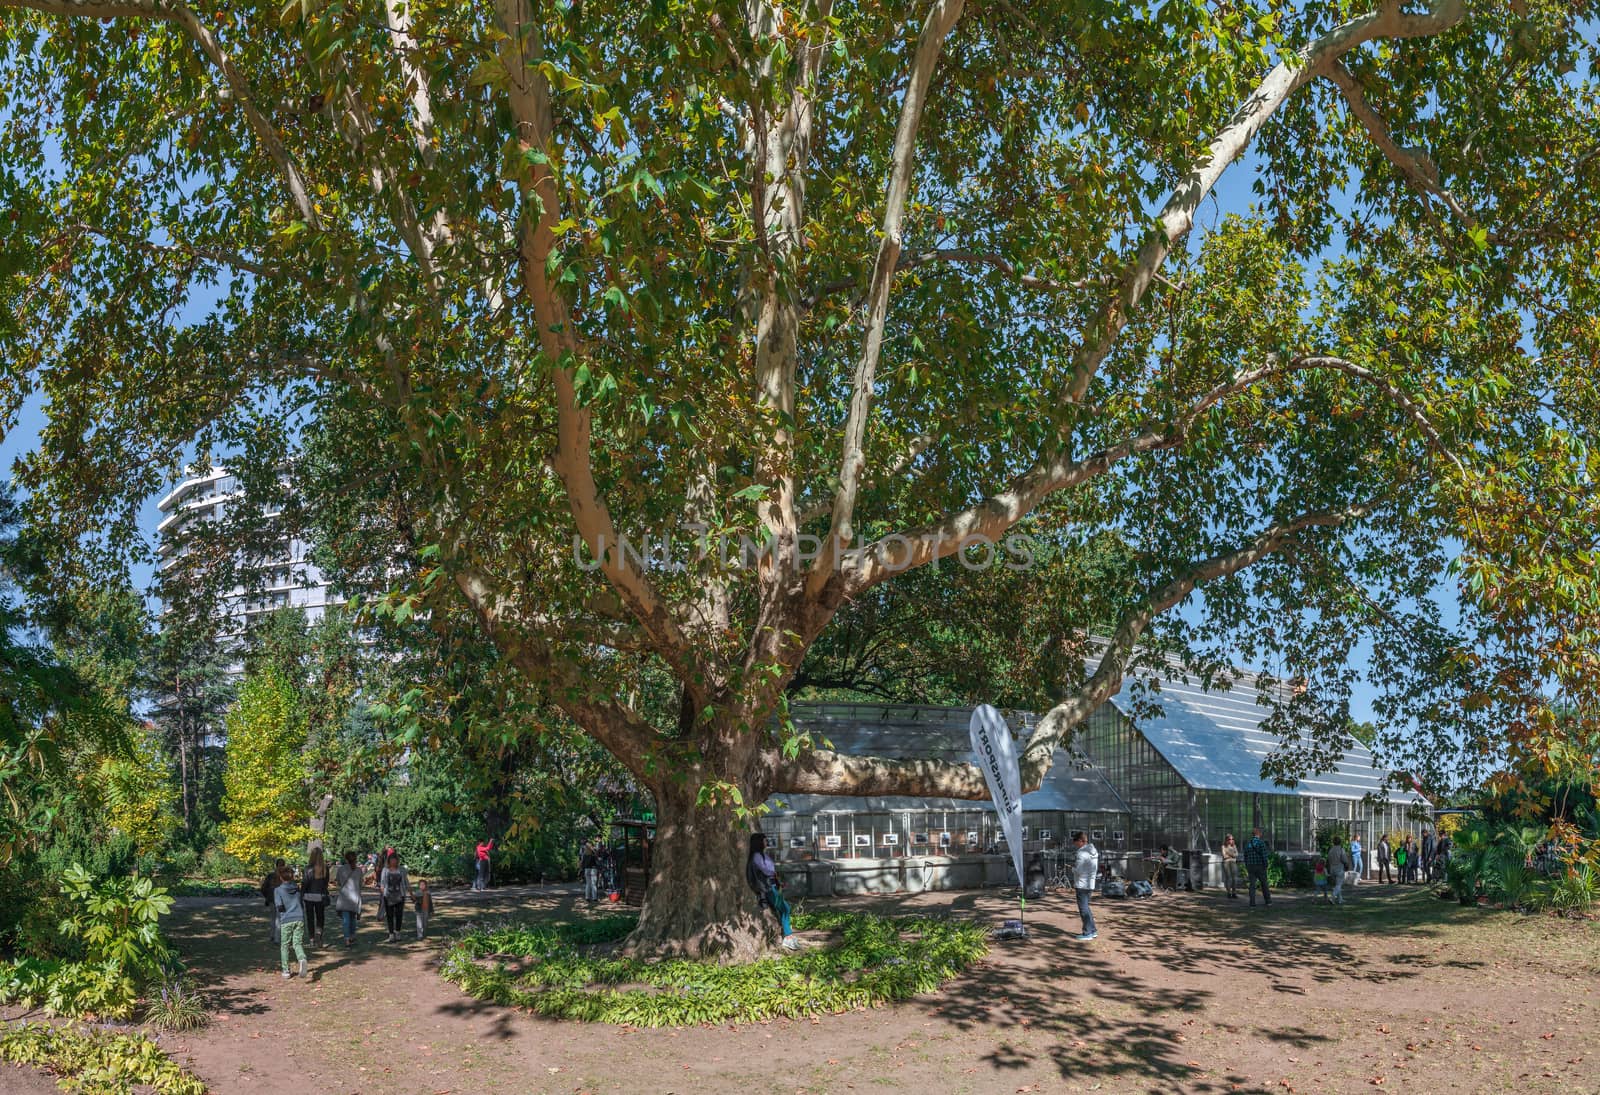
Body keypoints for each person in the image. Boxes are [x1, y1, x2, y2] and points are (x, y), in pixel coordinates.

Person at [746, 833, 800, 952]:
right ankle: (788, 937)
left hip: (773, 886)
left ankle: (788, 935)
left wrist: (778, 881)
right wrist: (772, 873)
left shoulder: (763, 855)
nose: (767, 842)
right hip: (768, 888)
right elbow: (767, 870)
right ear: (759, 842)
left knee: (784, 909)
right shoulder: (756, 856)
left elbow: (771, 871)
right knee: (785, 908)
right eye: (765, 841)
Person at [274, 864, 308, 979]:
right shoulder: (296, 888)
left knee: (285, 945)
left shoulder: (278, 890)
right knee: (297, 943)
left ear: (280, 877)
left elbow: (279, 906)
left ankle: (286, 970)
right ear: (292, 877)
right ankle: (302, 958)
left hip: (286, 920)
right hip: (299, 918)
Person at [1071, 831, 1099, 941]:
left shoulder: (1081, 853)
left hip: (1082, 884)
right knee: (1086, 908)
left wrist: (1072, 869)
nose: (1075, 844)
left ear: (1080, 841)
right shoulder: (1093, 851)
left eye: (1076, 842)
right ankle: (1092, 930)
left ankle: (1087, 932)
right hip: (1090, 883)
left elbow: (1079, 871)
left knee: (1083, 909)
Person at [379, 852, 410, 943]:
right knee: (389, 915)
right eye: (391, 860)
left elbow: (406, 882)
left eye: (395, 860)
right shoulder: (385, 870)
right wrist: (383, 894)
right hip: (388, 895)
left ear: (397, 861)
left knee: (399, 914)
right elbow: (382, 883)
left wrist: (411, 893)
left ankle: (398, 932)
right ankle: (391, 934)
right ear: (389, 861)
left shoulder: (402, 869)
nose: (393, 862)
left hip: (400, 894)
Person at [335, 850, 363, 947]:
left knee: (346, 919)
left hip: (344, 896)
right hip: (355, 896)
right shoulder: (359, 870)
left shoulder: (341, 869)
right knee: (353, 918)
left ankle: (347, 938)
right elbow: (360, 884)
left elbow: (338, 882)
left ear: (346, 858)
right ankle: (352, 935)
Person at [302, 847, 330, 944]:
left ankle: (311, 939)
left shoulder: (307, 868)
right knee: (320, 917)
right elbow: (326, 884)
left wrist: (301, 894)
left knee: (310, 918)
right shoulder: (325, 869)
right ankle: (319, 934)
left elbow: (305, 883)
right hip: (320, 896)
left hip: (309, 896)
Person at [260, 858, 287, 943]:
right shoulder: (285, 876)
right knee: (279, 918)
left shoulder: (271, 875)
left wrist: (267, 897)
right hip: (280, 899)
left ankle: (272, 935)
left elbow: (263, 888)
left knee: (273, 917)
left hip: (272, 898)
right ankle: (276, 938)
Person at [1243, 827, 1271, 907]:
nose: (1261, 834)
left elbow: (1245, 856)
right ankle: (1268, 901)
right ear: (1258, 834)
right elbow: (1264, 856)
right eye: (1261, 833)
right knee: (1264, 883)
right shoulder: (1261, 843)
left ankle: (1252, 902)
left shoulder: (1248, 843)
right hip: (1260, 866)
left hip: (1250, 866)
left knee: (1252, 885)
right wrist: (1266, 865)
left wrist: (1247, 865)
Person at [1328, 836, 1353, 905]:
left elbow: (1329, 859)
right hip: (1339, 869)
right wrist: (1347, 865)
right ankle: (1332, 897)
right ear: (1340, 842)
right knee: (1338, 885)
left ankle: (1340, 899)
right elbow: (1344, 859)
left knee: (1337, 885)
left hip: (1332, 869)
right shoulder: (1341, 849)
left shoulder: (1331, 850)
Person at [1220, 834, 1240, 899]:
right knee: (1228, 878)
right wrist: (1232, 855)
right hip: (1226, 863)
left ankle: (1234, 893)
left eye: (1232, 839)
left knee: (1234, 878)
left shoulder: (1234, 846)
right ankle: (1229, 893)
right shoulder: (1223, 846)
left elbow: (1236, 854)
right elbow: (1224, 856)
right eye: (1229, 839)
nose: (1231, 840)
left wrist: (1228, 853)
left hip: (1233, 863)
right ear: (1226, 840)